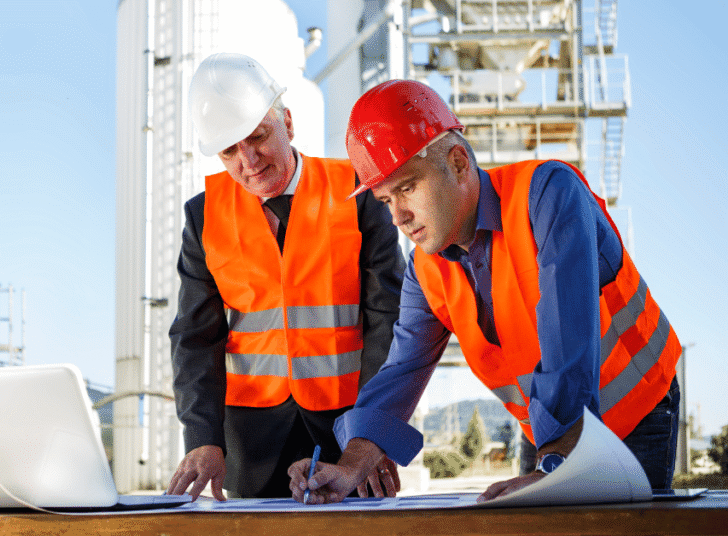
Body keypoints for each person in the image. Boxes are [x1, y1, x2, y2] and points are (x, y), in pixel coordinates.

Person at [289, 79, 681, 504]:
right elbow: (402, 369)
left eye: (407, 188)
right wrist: (350, 464)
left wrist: (557, 462)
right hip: (549, 428)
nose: (398, 216)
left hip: (638, 413)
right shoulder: (427, 269)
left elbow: (565, 332)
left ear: (458, 163)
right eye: (385, 200)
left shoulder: (548, 194)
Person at [166, 53, 406, 501]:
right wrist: (203, 437)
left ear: (288, 123)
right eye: (229, 151)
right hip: (247, 446)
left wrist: (375, 437)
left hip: (349, 432)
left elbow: (389, 322)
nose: (248, 160)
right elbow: (195, 338)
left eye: (258, 137)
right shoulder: (203, 217)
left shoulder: (358, 194)